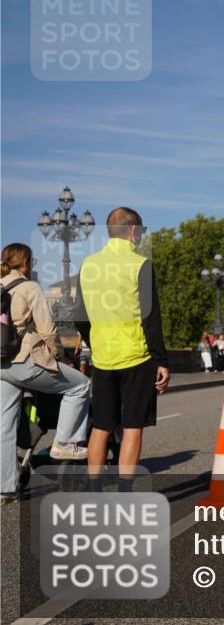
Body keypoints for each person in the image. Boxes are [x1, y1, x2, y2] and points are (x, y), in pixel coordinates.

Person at [77, 208, 171, 488]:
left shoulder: (89, 265)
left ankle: (94, 487)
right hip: (135, 356)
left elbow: (79, 317)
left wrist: (96, 341)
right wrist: (161, 360)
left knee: (101, 426)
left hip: (103, 358)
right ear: (132, 230)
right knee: (132, 427)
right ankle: (125, 490)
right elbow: (150, 318)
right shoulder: (140, 264)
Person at [1, 243, 91, 503]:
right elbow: (48, 329)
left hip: (1, 366)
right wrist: (60, 356)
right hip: (24, 362)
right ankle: (65, 442)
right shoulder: (29, 287)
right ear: (26, 262)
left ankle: (5, 489)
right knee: (80, 385)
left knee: (4, 426)